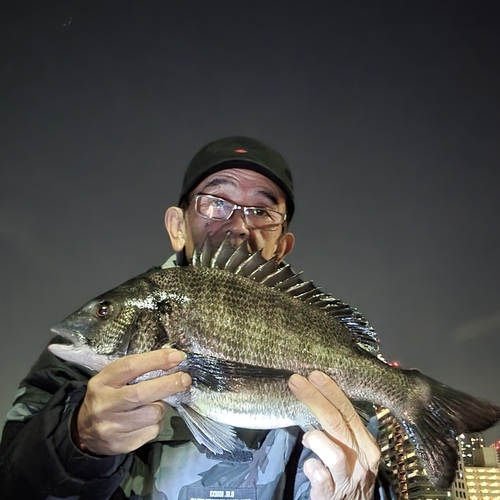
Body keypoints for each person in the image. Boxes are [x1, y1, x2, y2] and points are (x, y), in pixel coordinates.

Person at [0, 136, 390, 500]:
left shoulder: (339, 362)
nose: (238, 225)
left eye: (261, 210)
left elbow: (363, 473)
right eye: (216, 202)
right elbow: (11, 478)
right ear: (177, 225)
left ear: (282, 245)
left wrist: (356, 493)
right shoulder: (78, 364)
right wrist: (78, 439)